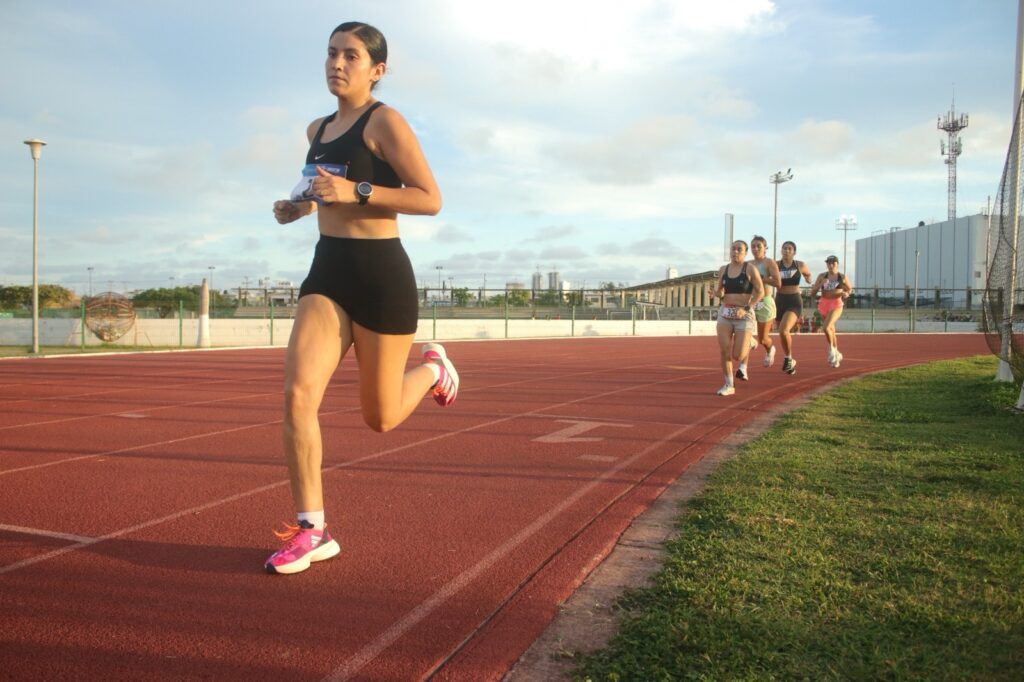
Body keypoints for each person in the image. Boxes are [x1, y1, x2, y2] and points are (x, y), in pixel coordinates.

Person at [266, 21, 457, 575]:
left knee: (382, 417)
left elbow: (430, 199)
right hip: (328, 271)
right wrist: (300, 206)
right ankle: (312, 530)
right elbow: (321, 188)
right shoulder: (317, 129)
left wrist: (359, 190)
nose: (337, 63)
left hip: (380, 276)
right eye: (332, 53)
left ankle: (434, 368)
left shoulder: (385, 122)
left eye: (351, 56)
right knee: (297, 395)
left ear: (377, 70)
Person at [710, 240, 765, 396]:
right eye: (733, 249)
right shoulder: (723, 269)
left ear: (745, 252)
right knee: (724, 349)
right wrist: (716, 293)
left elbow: (760, 292)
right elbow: (721, 291)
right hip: (726, 313)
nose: (735, 252)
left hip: (743, 314)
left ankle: (750, 341)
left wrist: (746, 308)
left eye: (739, 249)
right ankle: (729, 384)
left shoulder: (750, 269)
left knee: (738, 355)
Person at [774, 241, 812, 375]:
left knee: (784, 330)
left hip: (794, 300)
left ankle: (788, 358)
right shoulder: (775, 265)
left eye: (789, 249)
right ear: (781, 251)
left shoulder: (800, 265)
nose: (786, 251)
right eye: (784, 248)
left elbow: (808, 274)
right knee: (781, 332)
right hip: (779, 300)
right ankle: (790, 360)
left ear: (794, 252)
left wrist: (808, 279)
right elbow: (766, 276)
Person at [809, 254, 853, 368]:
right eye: (828, 263)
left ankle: (832, 350)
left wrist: (846, 293)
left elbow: (850, 289)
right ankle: (837, 353)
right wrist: (820, 284)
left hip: (836, 304)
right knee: (831, 331)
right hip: (824, 304)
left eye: (833, 263)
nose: (831, 265)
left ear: (837, 264)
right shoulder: (822, 276)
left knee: (826, 327)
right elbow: (813, 293)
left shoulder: (842, 277)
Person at [748, 236, 781, 371]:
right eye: (753, 246)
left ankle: (770, 349)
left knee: (762, 339)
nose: (755, 249)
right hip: (751, 301)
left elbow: (778, 283)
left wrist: (762, 278)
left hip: (765, 302)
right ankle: (749, 340)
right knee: (740, 328)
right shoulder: (748, 264)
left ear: (765, 248)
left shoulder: (769, 263)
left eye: (759, 246)